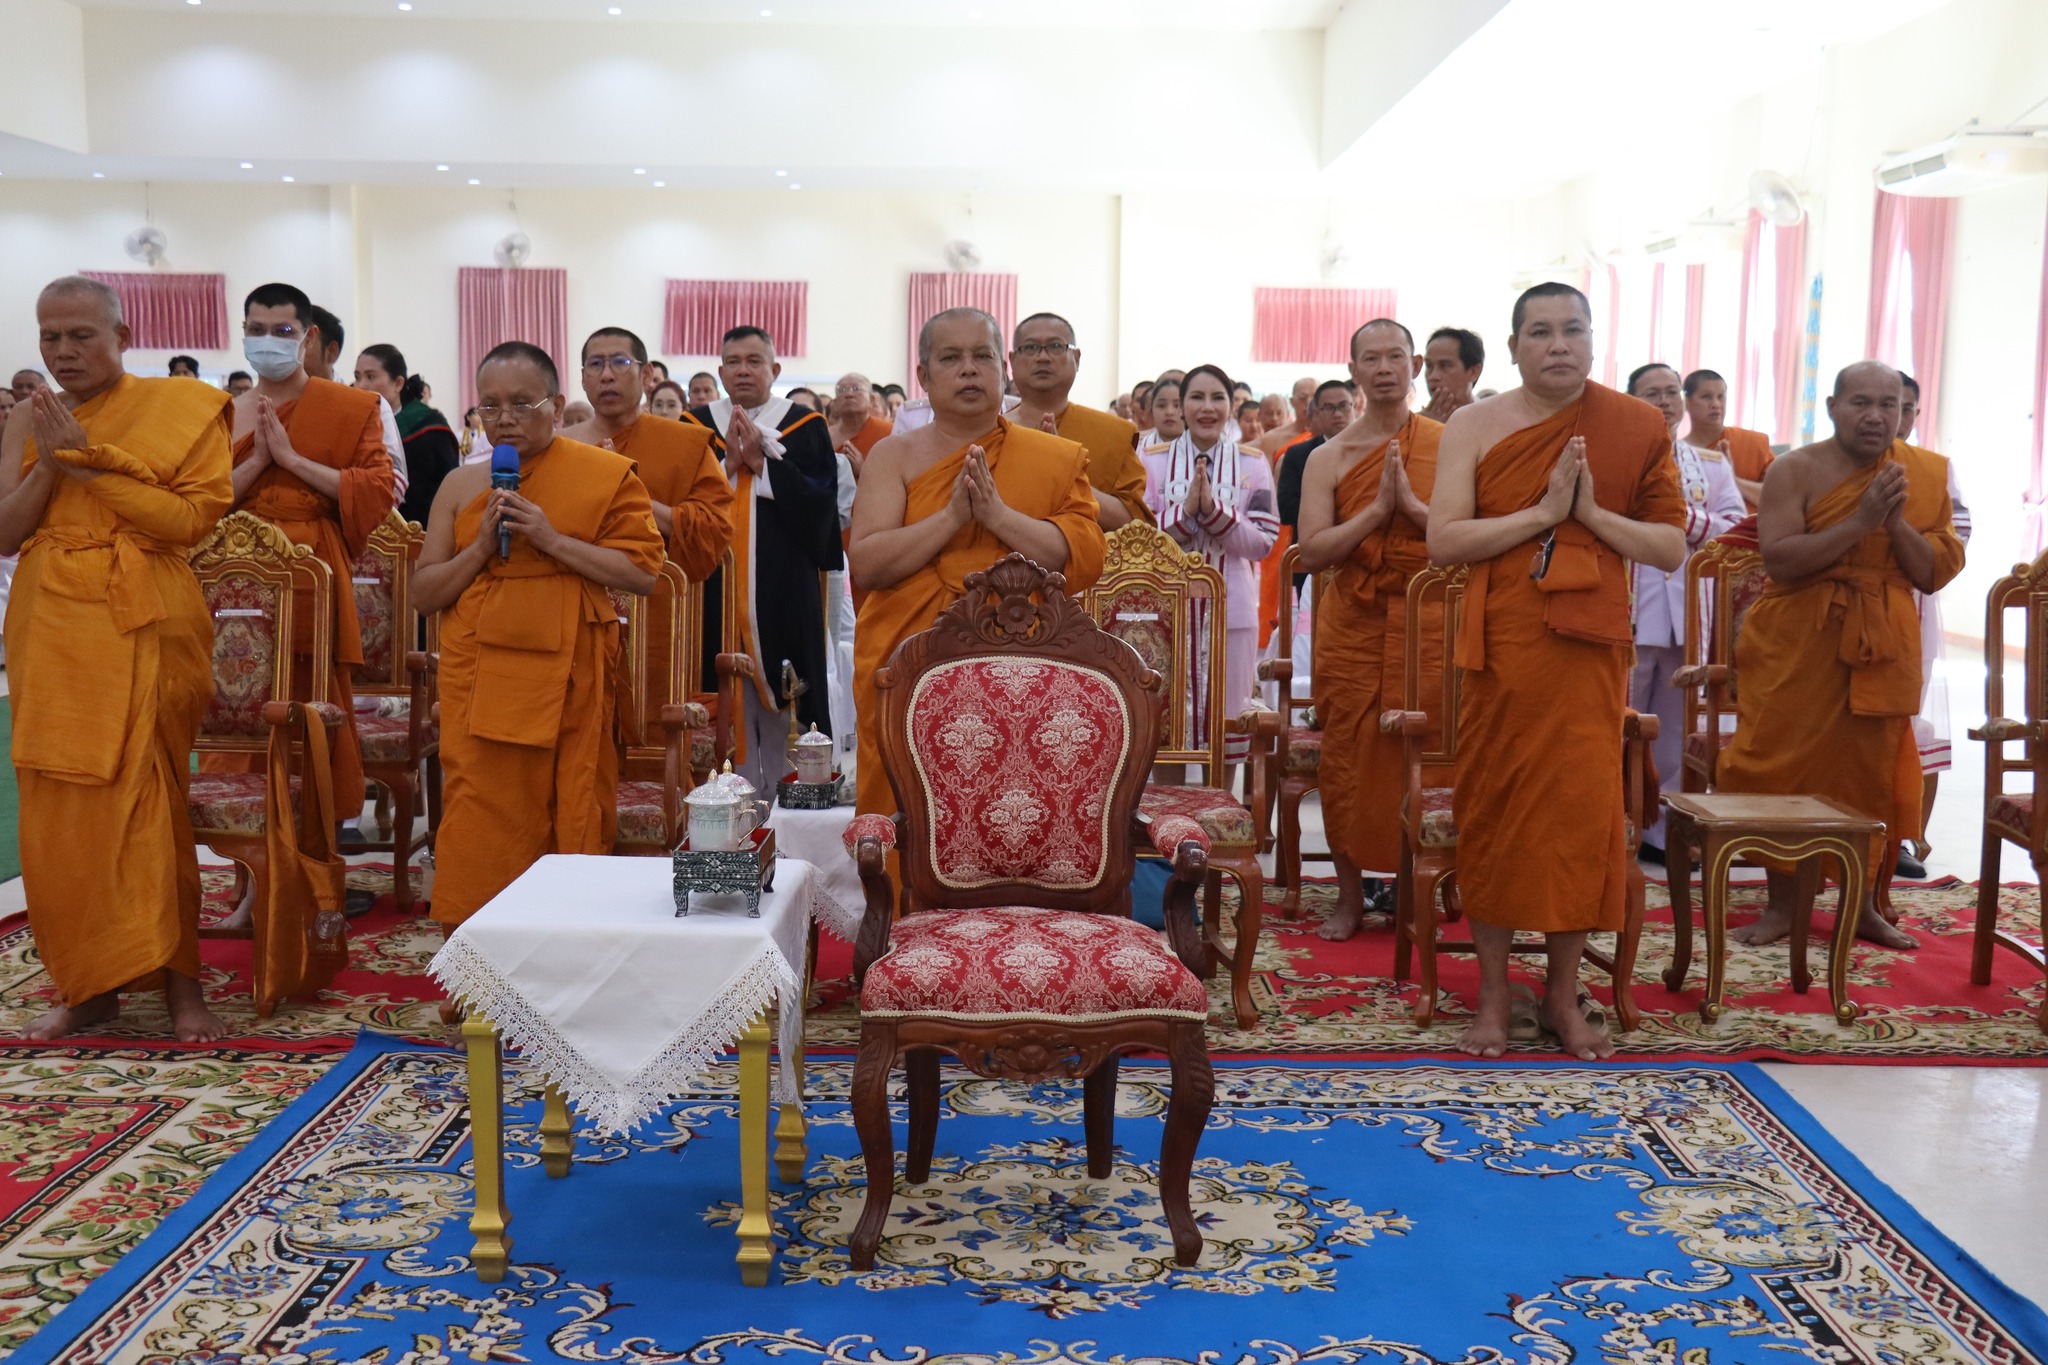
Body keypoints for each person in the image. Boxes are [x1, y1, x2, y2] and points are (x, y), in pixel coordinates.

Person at [1427, 282, 1686, 1060]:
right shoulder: (1475, 424)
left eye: (1574, 328)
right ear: (1513, 347)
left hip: (1587, 656)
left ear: (1595, 340)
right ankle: (1494, 996)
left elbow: (1669, 546)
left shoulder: (1635, 425)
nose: (1559, 344)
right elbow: (1445, 540)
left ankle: (1563, 996)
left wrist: (1590, 515)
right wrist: (1542, 514)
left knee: (1579, 820)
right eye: (1540, 331)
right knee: (1498, 815)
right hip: (1504, 655)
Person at [1, 276, 232, 1040]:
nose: (63, 351)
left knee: (148, 805)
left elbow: (187, 520)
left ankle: (182, 985)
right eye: (51, 336)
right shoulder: (27, 418)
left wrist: (90, 465)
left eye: (81, 335)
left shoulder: (181, 408)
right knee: (59, 813)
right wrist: (50, 461)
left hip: (144, 618)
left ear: (123, 337)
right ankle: (89, 984)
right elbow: (6, 532)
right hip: (51, 623)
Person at [1713, 362, 1965, 949]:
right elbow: (1780, 561)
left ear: (1905, 411)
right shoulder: (1795, 469)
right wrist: (1861, 521)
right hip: (1798, 641)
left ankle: (1865, 907)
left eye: (1889, 404)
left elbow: (1932, 573)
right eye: (1860, 403)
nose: (1876, 416)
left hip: (1881, 644)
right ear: (1832, 407)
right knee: (1781, 770)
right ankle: (1782, 905)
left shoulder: (1925, 473)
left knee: (1871, 777)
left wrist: (1893, 523)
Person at [413, 342, 665, 927]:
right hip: (481, 681)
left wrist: (551, 541)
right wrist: (481, 548)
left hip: (569, 674)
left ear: (555, 404)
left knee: (570, 807)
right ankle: (475, 959)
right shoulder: (460, 485)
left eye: (522, 404)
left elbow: (642, 574)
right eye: (490, 405)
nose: (504, 419)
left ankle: (564, 947)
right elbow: (425, 594)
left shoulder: (602, 475)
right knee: (479, 814)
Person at [848, 307, 1106, 817]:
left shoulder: (1051, 456)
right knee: (911, 807)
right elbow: (868, 563)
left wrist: (996, 515)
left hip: (1026, 663)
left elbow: (1083, 555)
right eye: (951, 358)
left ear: (1002, 370)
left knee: (1021, 807)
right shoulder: (893, 456)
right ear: (924, 376)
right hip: (911, 664)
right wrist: (950, 518)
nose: (968, 369)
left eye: (982, 356)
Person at [211, 282, 394, 889]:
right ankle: (250, 878)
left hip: (313, 579)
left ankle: (313, 878)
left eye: (282, 331)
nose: (267, 341)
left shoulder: (350, 407)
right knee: (237, 719)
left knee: (313, 721)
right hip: (232, 592)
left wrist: (292, 461)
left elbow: (377, 492)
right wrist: (258, 462)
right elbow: (197, 502)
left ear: (308, 336)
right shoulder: (223, 413)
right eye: (256, 330)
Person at [1296, 319, 1444, 940]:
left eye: (1395, 357)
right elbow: (1311, 550)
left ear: (1415, 366)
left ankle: (1421, 889)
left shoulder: (1448, 444)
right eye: (1371, 359)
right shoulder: (1327, 457)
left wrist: (1412, 510)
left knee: (1428, 753)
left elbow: (1467, 539)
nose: (1384, 369)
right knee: (1347, 763)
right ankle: (1349, 895)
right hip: (1353, 625)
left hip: (1430, 623)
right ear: (1353, 369)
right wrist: (1379, 512)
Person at [682, 326, 840, 790]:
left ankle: (785, 801)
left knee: (785, 691)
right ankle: (722, 798)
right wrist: (728, 464)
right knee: (719, 689)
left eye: (754, 361)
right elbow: (679, 501)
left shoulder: (804, 424)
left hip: (782, 584)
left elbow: (821, 505)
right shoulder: (693, 426)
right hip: (712, 585)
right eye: (733, 362)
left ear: (774, 369)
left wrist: (763, 465)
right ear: (720, 371)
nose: (744, 370)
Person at [1623, 363, 1745, 861]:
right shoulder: (1616, 459)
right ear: (1631, 402)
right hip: (1631, 611)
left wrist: (1685, 520)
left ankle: (1661, 830)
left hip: (1689, 615)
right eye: (1651, 393)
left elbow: (1736, 526)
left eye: (1672, 391)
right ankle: (1615, 819)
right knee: (1621, 720)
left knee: (1676, 726)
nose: (1665, 401)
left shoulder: (1710, 465)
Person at [1143, 364, 1280, 772]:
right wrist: (1186, 511)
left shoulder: (1253, 463)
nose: (1207, 407)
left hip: (1231, 612)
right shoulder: (1151, 461)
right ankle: (1170, 810)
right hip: (1165, 613)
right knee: (1166, 725)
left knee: (1228, 722)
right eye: (1197, 397)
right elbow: (1140, 538)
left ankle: (1222, 809)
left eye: (1217, 398)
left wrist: (1215, 512)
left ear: (1231, 405)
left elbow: (1262, 542)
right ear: (1182, 406)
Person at [561, 327, 733, 583]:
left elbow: (713, 529)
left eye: (620, 362)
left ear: (646, 374)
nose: (607, 375)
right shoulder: (559, 446)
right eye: (595, 364)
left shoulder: (684, 443)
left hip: (657, 595)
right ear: (584, 378)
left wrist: (627, 496)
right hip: (572, 591)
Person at [1897, 371, 1970, 876]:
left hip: (1912, 610)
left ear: (1916, 413)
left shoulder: (1932, 470)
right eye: (1878, 403)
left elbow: (1957, 531)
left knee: (1905, 721)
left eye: (1904, 407)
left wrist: (1906, 542)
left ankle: (1898, 833)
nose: (1891, 416)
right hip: (1836, 609)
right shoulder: (1827, 464)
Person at [1008, 312, 1150, 530]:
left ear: (1076, 358)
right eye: (1030, 347)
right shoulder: (992, 432)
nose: (1043, 357)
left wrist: (1067, 474)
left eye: (1056, 346)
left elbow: (1135, 526)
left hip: (1091, 552)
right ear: (1012, 361)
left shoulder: (1112, 433)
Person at [303, 305, 408, 508]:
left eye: (305, 340)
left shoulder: (365, 406)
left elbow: (391, 486)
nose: (288, 348)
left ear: (331, 351)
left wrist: (297, 464)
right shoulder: (266, 404)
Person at [356, 345, 461, 528]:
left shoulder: (429, 427)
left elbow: (447, 489)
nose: (361, 385)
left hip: (420, 529)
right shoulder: (353, 424)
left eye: (371, 376)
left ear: (398, 383)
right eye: (357, 377)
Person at [1682, 369, 1774, 510]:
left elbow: (1779, 496)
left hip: (1752, 523)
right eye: (1706, 397)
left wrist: (1731, 479)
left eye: (1721, 397)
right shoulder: (1678, 453)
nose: (1716, 404)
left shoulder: (1753, 442)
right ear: (1687, 403)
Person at [827, 371, 893, 474]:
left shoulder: (889, 431)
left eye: (856, 388)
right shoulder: (825, 437)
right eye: (842, 390)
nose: (849, 394)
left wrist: (863, 469)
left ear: (871, 399)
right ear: (835, 403)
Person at [1422, 327, 1484, 423]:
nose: (1433, 376)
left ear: (1473, 372)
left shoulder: (1494, 421)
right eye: (1429, 366)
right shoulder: (1412, 426)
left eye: (1445, 366)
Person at [1253, 376, 1317, 457]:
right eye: (1302, 398)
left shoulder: (1329, 436)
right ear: (1292, 401)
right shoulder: (1273, 438)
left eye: (1314, 398)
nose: (1309, 403)